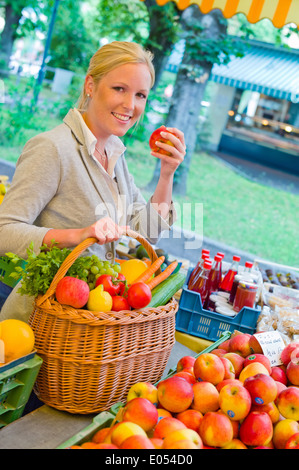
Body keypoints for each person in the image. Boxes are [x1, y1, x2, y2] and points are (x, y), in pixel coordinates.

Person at [0, 41, 186, 322]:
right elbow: (4, 232)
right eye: (119, 89)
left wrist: (167, 173)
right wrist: (76, 235)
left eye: (140, 95)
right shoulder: (53, 148)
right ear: (90, 85)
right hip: (39, 323)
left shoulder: (115, 155)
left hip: (87, 328)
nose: (130, 105)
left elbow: (145, 234)